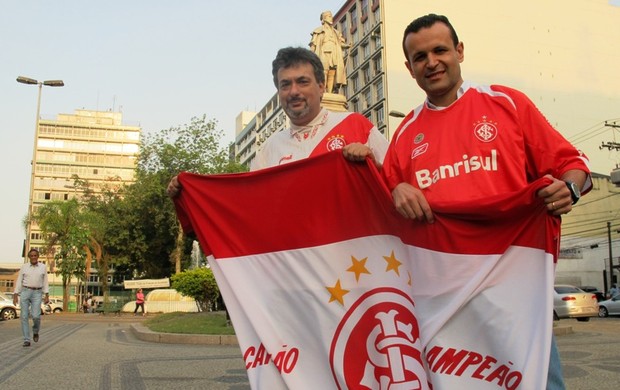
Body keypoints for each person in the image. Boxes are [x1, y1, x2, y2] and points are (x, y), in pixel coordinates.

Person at [382, 14, 592, 389]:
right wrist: (395, 188)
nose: (431, 62)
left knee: (540, 382)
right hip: (444, 302)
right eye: (419, 57)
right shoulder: (404, 134)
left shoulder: (507, 103)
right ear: (409, 68)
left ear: (459, 51)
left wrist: (570, 188)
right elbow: (379, 206)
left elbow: (573, 166)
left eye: (440, 50)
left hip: (514, 289)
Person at [167, 46, 387, 196]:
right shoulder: (268, 150)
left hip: (353, 261)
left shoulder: (356, 126)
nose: (293, 92)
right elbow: (246, 203)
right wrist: (190, 191)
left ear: (321, 86)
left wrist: (373, 167)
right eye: (285, 85)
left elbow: (398, 183)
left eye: (302, 82)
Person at [13, 248, 49, 347]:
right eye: (31, 256)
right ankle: (26, 339)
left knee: (36, 316)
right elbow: (19, 280)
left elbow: (45, 281)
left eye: (35, 255)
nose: (33, 257)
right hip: (25, 291)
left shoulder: (43, 267)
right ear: (29, 257)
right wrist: (15, 294)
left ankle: (35, 331)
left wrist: (46, 295)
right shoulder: (24, 267)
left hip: (37, 293)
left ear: (38, 256)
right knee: (24, 316)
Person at [309, 11, 349, 94]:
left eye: (331, 16)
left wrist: (347, 46)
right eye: (329, 16)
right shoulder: (318, 31)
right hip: (323, 52)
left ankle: (329, 93)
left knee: (332, 72)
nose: (331, 18)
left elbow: (340, 43)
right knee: (324, 71)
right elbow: (313, 44)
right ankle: (323, 91)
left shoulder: (335, 32)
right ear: (324, 18)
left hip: (334, 53)